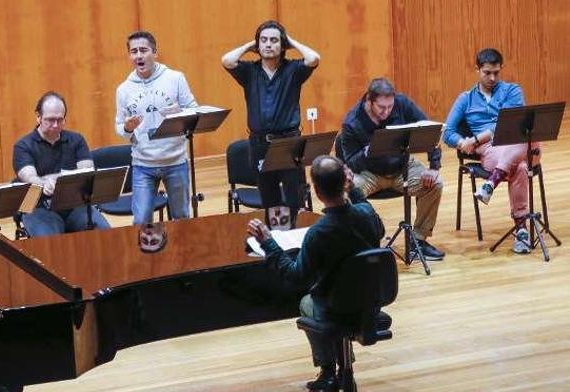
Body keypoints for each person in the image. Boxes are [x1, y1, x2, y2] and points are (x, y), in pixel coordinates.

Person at [247, 155, 384, 392]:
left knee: (306, 302)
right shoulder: (365, 215)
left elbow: (295, 276)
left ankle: (329, 371)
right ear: (345, 183)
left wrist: (269, 243)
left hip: (336, 306)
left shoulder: (318, 233)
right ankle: (344, 373)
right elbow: (378, 227)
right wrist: (355, 191)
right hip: (371, 302)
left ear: (317, 193)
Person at [222, 20, 320, 227]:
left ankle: (294, 241)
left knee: (294, 196)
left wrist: (290, 41)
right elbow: (227, 60)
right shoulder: (249, 71)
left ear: (282, 45)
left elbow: (313, 58)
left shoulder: (293, 69)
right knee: (270, 197)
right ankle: (277, 238)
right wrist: (251, 44)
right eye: (263, 40)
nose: (268, 44)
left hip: (289, 142)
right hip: (260, 144)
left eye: (274, 40)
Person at [443, 48, 537, 254]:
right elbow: (447, 132)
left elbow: (511, 125)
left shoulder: (513, 91)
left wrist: (477, 138)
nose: (492, 77)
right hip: (491, 152)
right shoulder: (465, 99)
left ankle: (491, 183)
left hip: (515, 142)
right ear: (477, 69)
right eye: (487, 73)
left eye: (496, 72)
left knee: (531, 140)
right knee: (520, 167)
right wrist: (462, 143)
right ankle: (521, 230)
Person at [340, 77, 445, 261]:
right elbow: (350, 163)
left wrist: (434, 167)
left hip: (402, 167)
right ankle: (364, 243)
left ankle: (418, 240)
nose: (387, 111)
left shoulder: (402, 103)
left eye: (390, 106)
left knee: (435, 183)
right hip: (368, 173)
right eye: (381, 107)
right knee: (346, 192)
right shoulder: (352, 122)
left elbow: (429, 130)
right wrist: (367, 152)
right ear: (369, 101)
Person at [115, 31, 197, 224]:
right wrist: (127, 127)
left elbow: (193, 110)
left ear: (155, 52)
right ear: (129, 56)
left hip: (175, 161)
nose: (138, 56)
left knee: (182, 218)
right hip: (143, 165)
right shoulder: (123, 89)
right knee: (142, 220)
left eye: (143, 50)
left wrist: (179, 112)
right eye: (134, 52)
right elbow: (120, 128)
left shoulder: (175, 78)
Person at [14, 91, 110, 237]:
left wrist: (54, 180)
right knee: (50, 244)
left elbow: (87, 171)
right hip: (39, 207)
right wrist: (45, 182)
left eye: (60, 120)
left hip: (74, 205)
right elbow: (30, 177)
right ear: (38, 117)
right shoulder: (23, 146)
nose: (55, 125)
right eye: (50, 120)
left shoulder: (76, 140)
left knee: (103, 233)